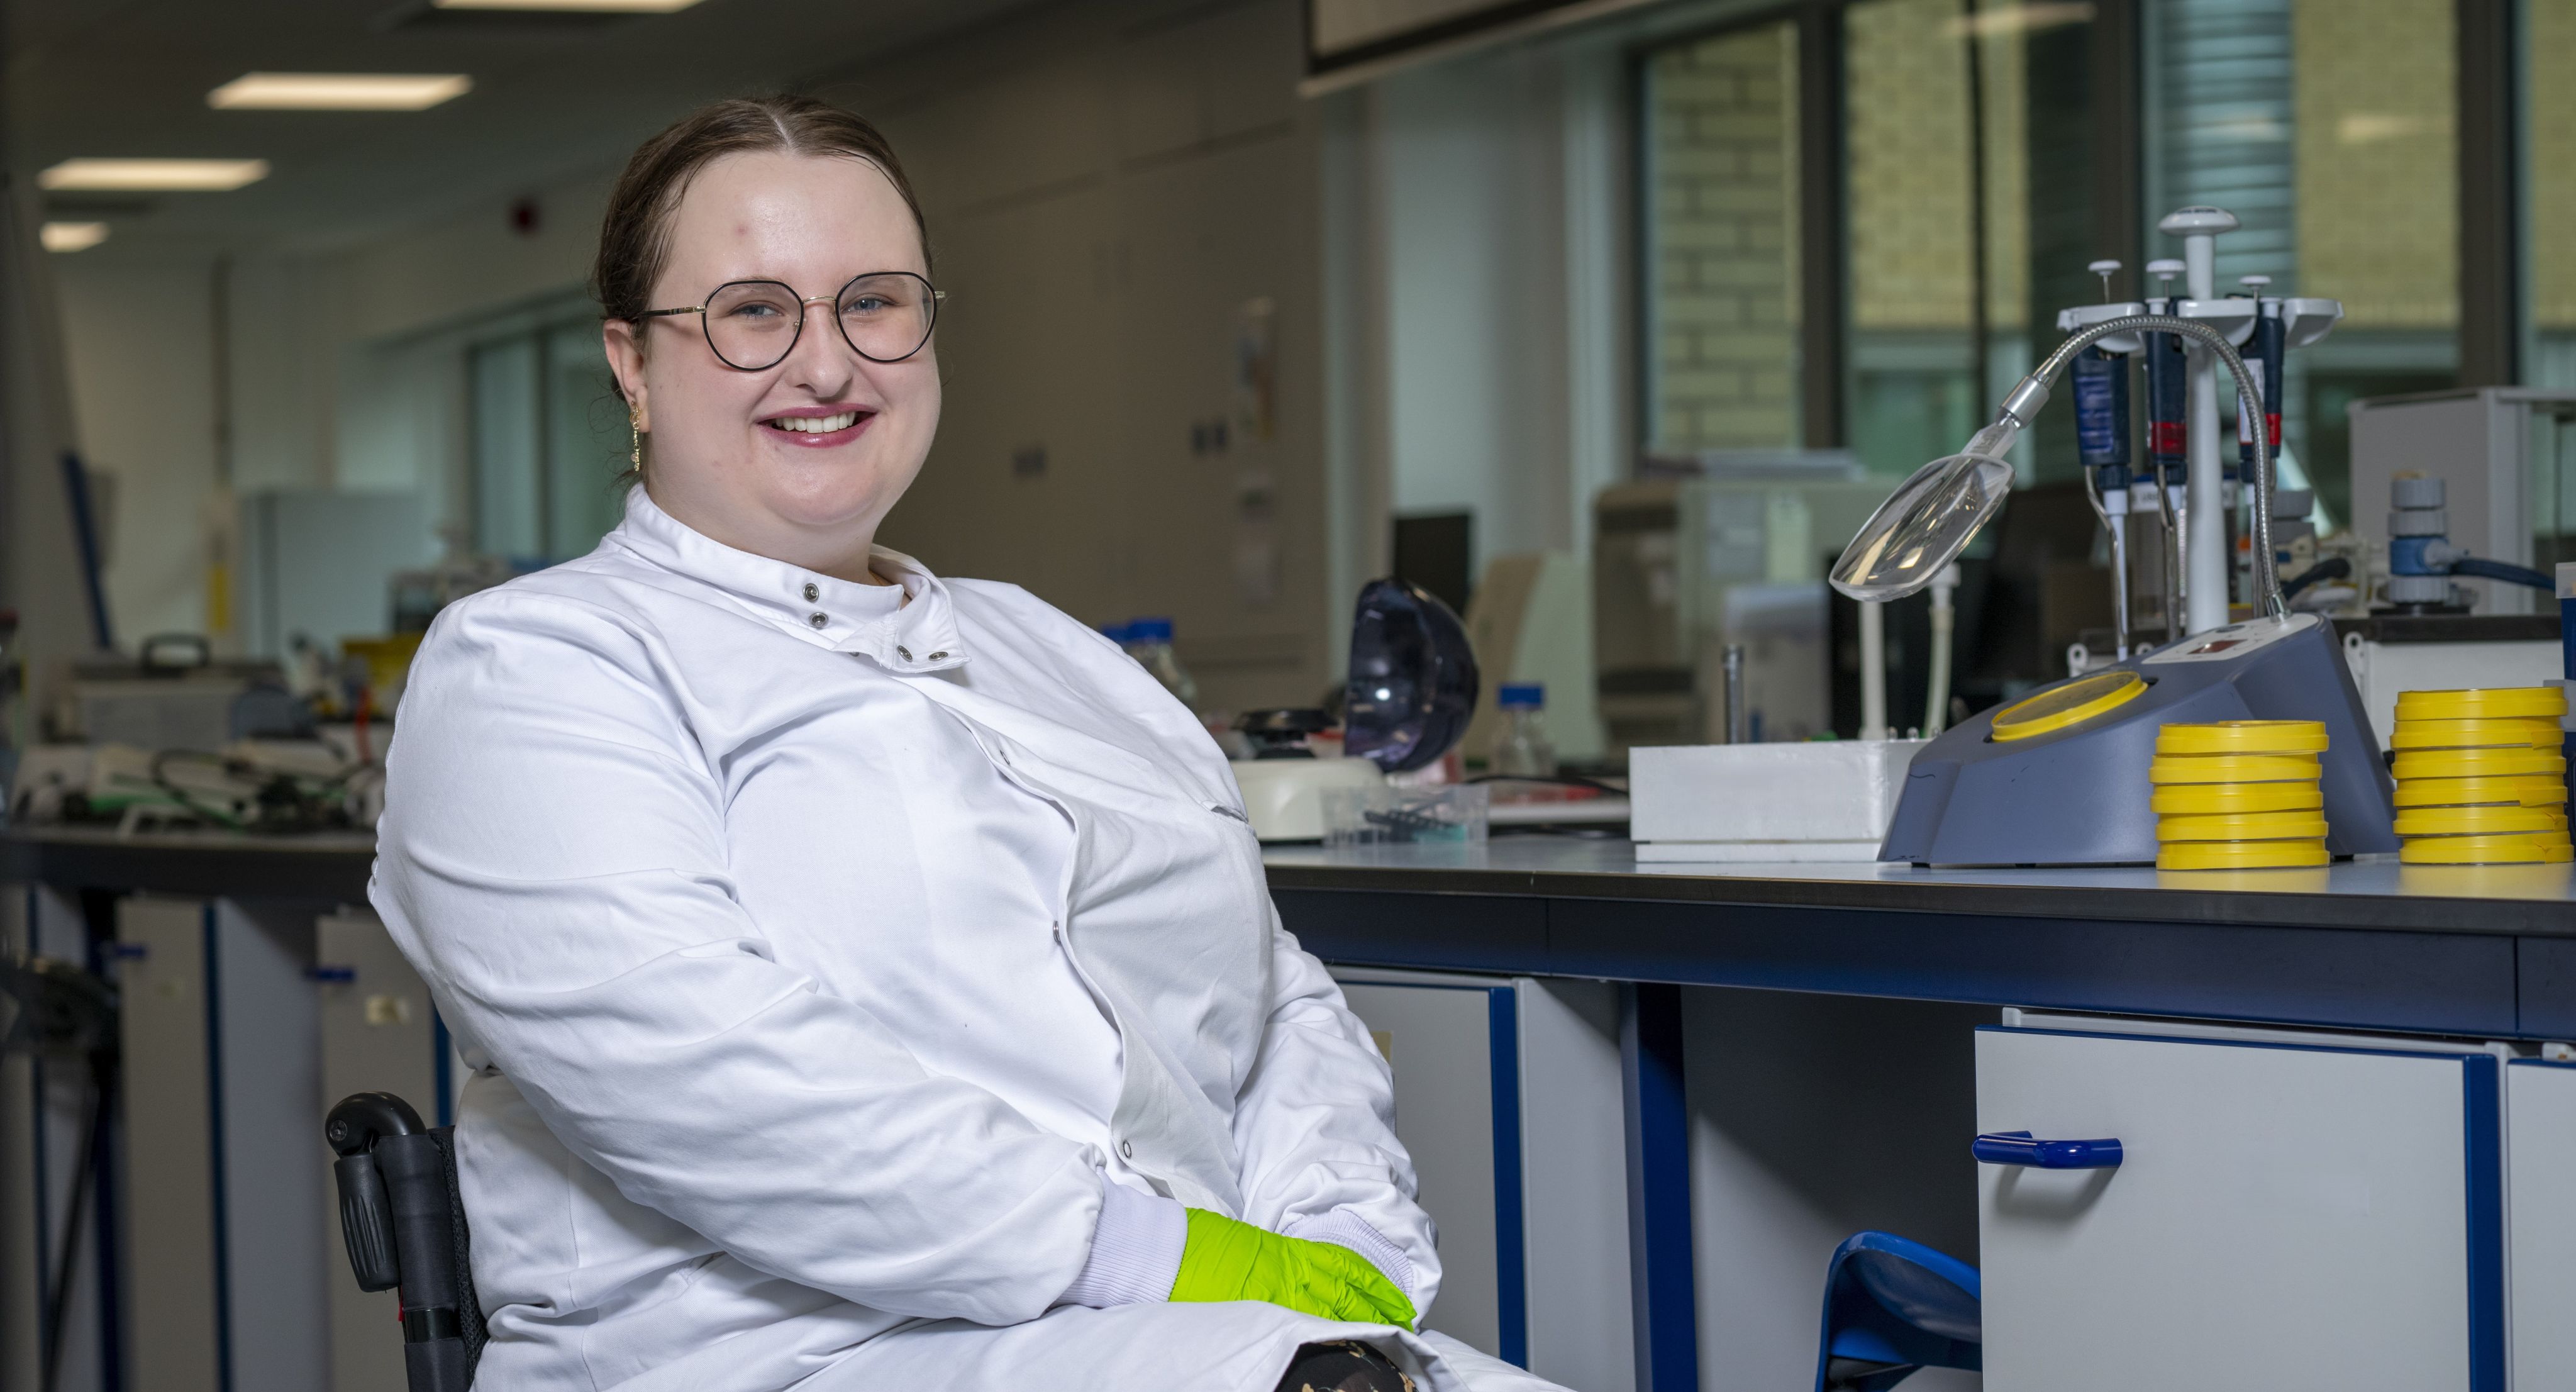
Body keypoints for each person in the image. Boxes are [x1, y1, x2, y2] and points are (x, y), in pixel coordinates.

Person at [370, 96, 1572, 1392]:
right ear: (630, 363)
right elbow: (721, 1087)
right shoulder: (536, 666)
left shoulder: (1050, 652)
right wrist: (1152, 1258)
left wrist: (1337, 1246)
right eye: (753, 312)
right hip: (785, 1361)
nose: (825, 365)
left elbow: (1271, 999)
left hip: (1202, 1339)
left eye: (873, 303)